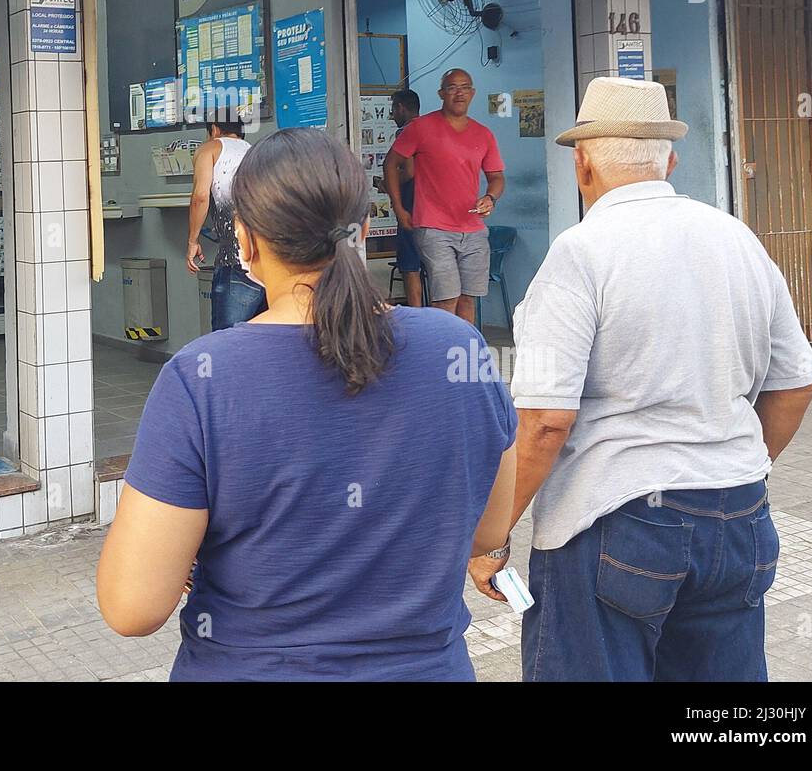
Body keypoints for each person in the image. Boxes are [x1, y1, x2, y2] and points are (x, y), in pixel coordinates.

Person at [97, 128, 518, 681]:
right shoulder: (457, 347)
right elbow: (488, 533)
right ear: (365, 228)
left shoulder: (201, 379)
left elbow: (132, 608)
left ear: (245, 242)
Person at [468, 77, 812, 682]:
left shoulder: (581, 253)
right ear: (671, 161)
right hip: (739, 519)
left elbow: (548, 419)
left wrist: (489, 539)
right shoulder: (737, 237)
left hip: (614, 522)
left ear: (582, 165)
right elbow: (796, 382)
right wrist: (735, 464)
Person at [384, 68, 504, 323]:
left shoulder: (483, 134)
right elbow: (391, 163)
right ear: (441, 93)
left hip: (472, 228)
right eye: (451, 87)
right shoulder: (421, 127)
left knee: (468, 299)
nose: (458, 92)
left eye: (464, 87)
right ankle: (440, 356)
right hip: (433, 227)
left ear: (472, 93)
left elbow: (496, 177)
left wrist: (490, 198)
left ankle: (465, 357)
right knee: (446, 299)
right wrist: (398, 206)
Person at [186, 109, 265, 330]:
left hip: (237, 259)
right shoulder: (256, 152)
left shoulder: (210, 148)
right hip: (270, 262)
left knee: (226, 340)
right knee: (260, 340)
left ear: (214, 129)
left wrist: (193, 241)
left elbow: (200, 197)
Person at [373, 89, 423, 307]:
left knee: (409, 267)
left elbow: (409, 171)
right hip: (428, 207)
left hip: (410, 206)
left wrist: (387, 184)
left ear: (401, 107)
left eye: (393, 109)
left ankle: (416, 316)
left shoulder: (407, 132)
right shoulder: (428, 129)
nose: (392, 115)